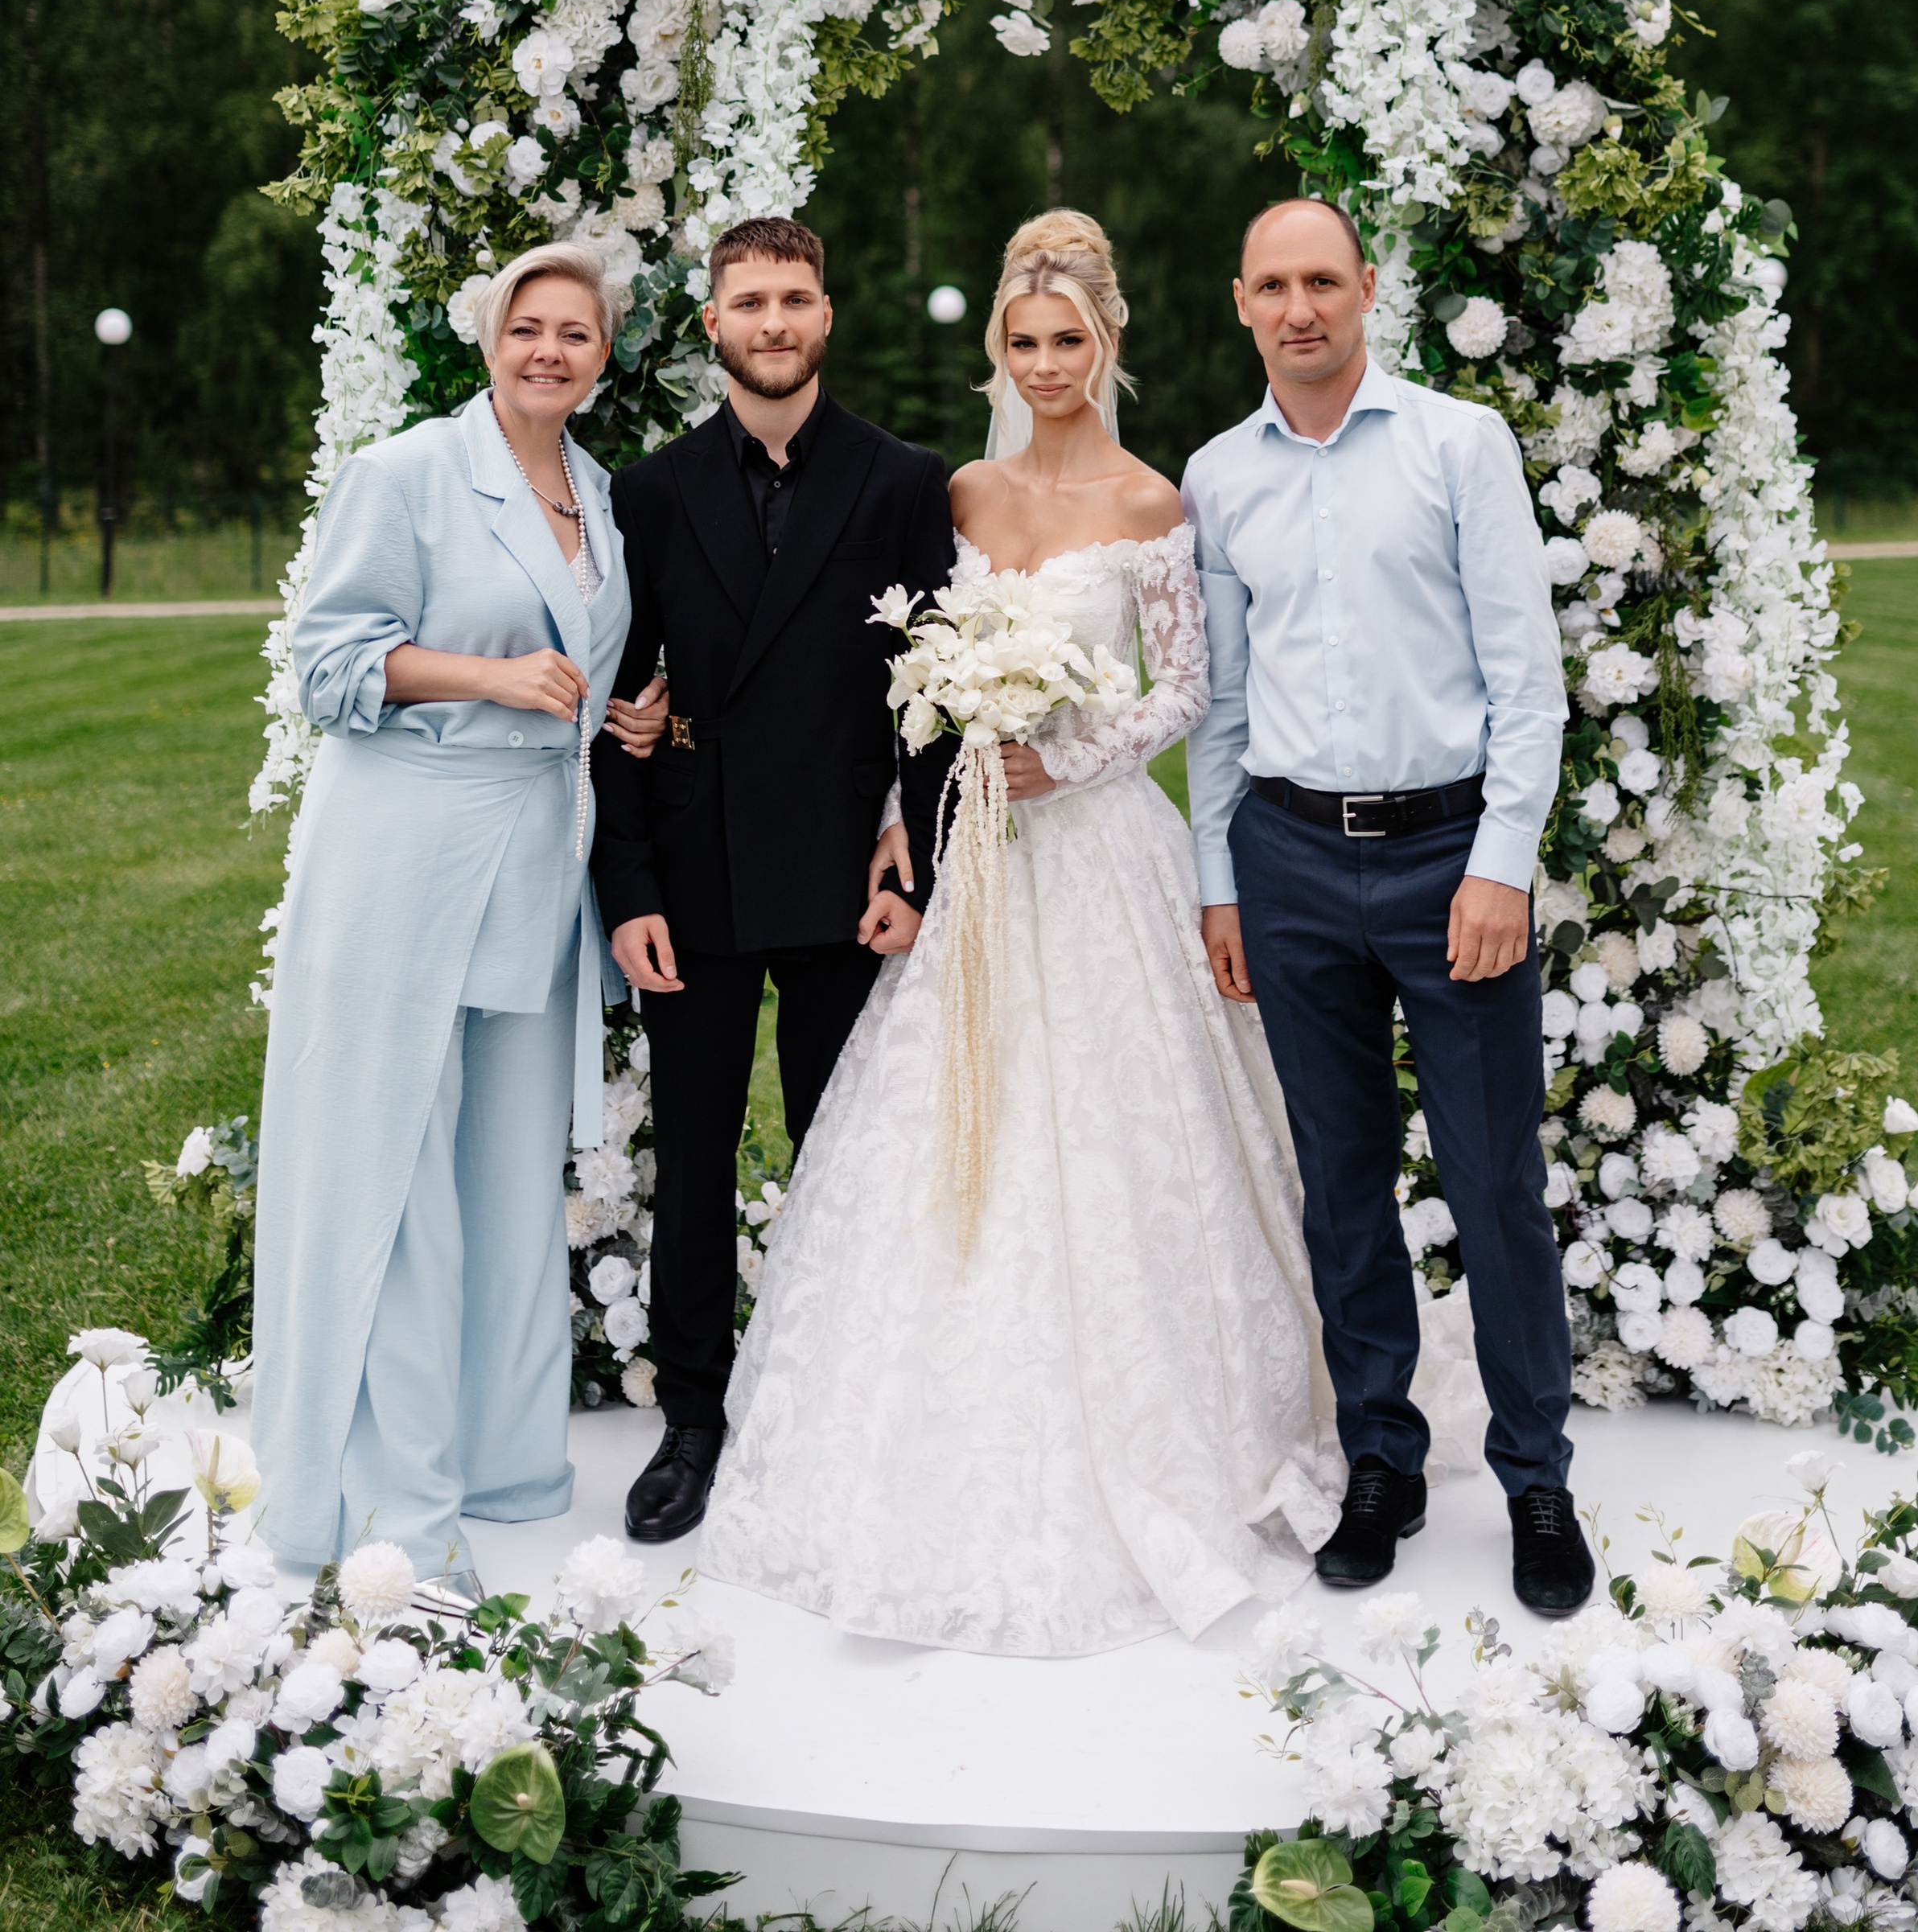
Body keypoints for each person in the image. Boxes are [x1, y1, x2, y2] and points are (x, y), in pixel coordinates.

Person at [691, 210, 1344, 1655]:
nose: (1047, 364)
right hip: (974, 856)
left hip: (1100, 848)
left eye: (1071, 342)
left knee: (1126, 1137)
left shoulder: (1156, 504)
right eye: (1024, 342)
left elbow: (1186, 690)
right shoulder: (961, 498)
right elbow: (911, 678)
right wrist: (916, 812)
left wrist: (1079, 747)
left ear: (1108, 347)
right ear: (999, 350)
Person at [1181, 197, 1587, 1614]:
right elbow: (1224, 703)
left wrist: (1501, 865)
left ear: (1367, 291)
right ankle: (1381, 1457)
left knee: (1493, 1187)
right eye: (1275, 285)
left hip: (1446, 857)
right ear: (1242, 302)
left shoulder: (1455, 444)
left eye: (1324, 282)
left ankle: (1537, 1473)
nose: (1302, 309)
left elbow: (1527, 680)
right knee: (1342, 1188)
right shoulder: (1219, 476)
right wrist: (1220, 881)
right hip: (1290, 864)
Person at [253, 240, 668, 1584]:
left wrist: (615, 712)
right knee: (401, 1174)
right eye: (527, 327)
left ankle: (499, 1459)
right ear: (489, 336)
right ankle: (388, 1504)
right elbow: (326, 662)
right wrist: (489, 683)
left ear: (606, 357)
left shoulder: (597, 496)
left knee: (501, 1175)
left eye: (578, 334)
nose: (551, 350)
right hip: (407, 860)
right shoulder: (410, 473)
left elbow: (570, 665)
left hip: (535, 869)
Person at [589, 215, 958, 1548]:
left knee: (840, 1150)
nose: (776, 323)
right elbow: (617, 704)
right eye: (751, 302)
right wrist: (626, 886)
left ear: (827, 316)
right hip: (690, 877)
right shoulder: (648, 491)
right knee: (688, 1157)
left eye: (797, 298)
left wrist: (918, 859)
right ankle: (694, 1416)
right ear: (712, 326)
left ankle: (838, 1409)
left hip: (840, 878)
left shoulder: (905, 479)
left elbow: (936, 694)